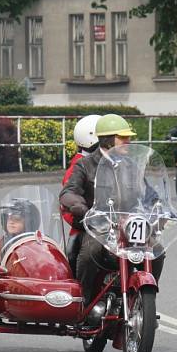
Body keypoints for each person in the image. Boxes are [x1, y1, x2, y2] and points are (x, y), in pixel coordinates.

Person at [60, 114, 165, 307]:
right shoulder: (85, 164)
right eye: (123, 137)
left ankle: (145, 298)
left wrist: (159, 208)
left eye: (128, 137)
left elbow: (148, 193)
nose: (129, 141)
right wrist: (79, 206)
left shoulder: (131, 166)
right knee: (91, 249)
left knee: (156, 249)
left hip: (128, 225)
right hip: (98, 226)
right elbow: (69, 192)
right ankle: (84, 300)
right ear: (108, 139)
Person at [62, 115, 100, 274]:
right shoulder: (78, 167)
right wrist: (84, 218)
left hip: (113, 224)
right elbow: (67, 202)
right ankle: (83, 295)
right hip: (85, 225)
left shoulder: (108, 161)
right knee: (74, 256)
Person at [0, 199, 41, 273]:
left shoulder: (38, 242)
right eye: (8, 219)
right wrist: (9, 269)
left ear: (29, 222)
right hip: (9, 281)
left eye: (17, 219)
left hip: (33, 279)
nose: (11, 222)